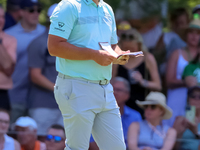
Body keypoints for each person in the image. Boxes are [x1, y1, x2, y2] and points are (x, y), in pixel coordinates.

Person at [48, 0, 132, 149]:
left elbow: (112, 45)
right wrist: (94, 55)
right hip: (76, 85)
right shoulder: (69, 6)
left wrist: (119, 54)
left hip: (105, 89)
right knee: (77, 148)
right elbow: (54, 47)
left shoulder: (107, 9)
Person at [5, 0, 45, 124]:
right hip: (15, 94)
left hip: (40, 97)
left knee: (36, 134)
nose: (36, 13)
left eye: (38, 10)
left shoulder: (47, 33)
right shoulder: (9, 34)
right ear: (21, 12)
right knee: (12, 131)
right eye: (31, 10)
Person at [27, 3, 63, 141]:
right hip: (43, 105)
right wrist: (59, 89)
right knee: (42, 142)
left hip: (67, 104)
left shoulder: (71, 44)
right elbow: (35, 75)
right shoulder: (40, 42)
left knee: (65, 142)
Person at [112, 28, 161, 116]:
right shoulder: (117, 59)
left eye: (132, 49)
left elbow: (158, 85)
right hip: (121, 106)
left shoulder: (147, 58)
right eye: (126, 49)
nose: (129, 52)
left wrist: (143, 82)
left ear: (139, 45)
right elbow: (111, 82)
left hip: (142, 105)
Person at [89, 77, 142, 149]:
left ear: (127, 95)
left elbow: (139, 142)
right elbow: (91, 144)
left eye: (118, 90)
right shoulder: (95, 113)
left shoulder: (135, 116)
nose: (114, 92)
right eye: (112, 89)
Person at [165, 18, 200, 126]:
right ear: (186, 34)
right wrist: (185, 82)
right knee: (174, 129)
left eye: (198, 33)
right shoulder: (176, 53)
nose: (194, 36)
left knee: (193, 130)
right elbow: (168, 81)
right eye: (191, 32)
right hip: (178, 99)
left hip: (197, 101)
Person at [0, 5, 17, 111]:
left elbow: (8, 68)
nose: (1, 20)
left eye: (2, 17)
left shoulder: (10, 40)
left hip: (1, 92)